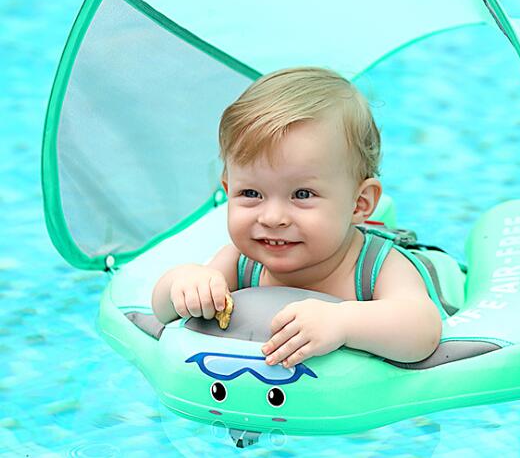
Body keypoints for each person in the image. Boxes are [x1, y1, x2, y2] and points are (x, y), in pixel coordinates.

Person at [151, 67, 442, 368]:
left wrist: (342, 322)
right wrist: (186, 283)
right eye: (251, 193)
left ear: (359, 203)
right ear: (228, 190)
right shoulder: (241, 263)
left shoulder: (377, 268)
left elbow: (423, 331)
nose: (273, 218)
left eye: (302, 195)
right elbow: (162, 309)